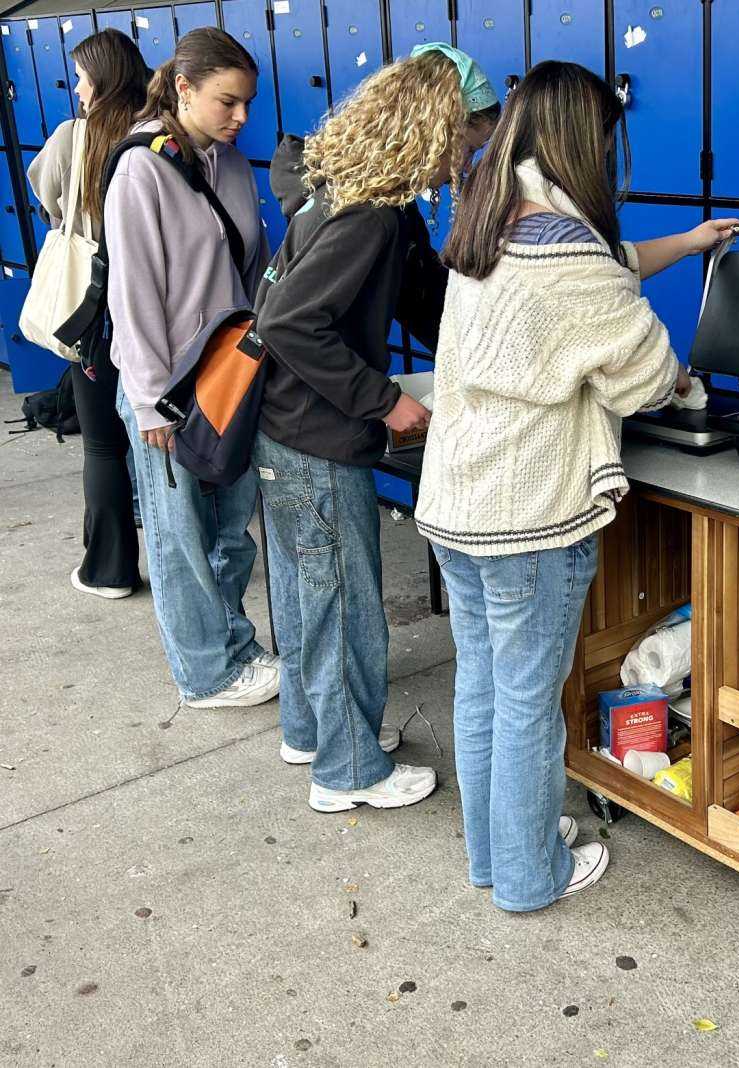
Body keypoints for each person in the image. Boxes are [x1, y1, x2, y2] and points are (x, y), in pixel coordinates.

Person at [414, 60, 738, 910]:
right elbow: (643, 374)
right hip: (527, 519)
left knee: (484, 682)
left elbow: (606, 272)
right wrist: (679, 374)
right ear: (584, 142)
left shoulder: (486, 225)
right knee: (528, 702)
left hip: (456, 504)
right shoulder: (569, 254)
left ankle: (495, 854)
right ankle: (529, 876)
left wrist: (693, 242)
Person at [252, 44, 498, 813]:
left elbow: (423, 299)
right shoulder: (368, 215)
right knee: (343, 605)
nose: (466, 161)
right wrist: (383, 401)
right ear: (432, 129)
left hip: (287, 429)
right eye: (466, 143)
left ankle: (314, 730)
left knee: (304, 595)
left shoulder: (350, 192)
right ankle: (349, 770)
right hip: (315, 437)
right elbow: (290, 321)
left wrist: (474, 353)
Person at [106, 28, 277, 709]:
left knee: (233, 528)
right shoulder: (141, 169)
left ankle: (233, 641)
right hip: (169, 388)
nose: (240, 118)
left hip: (226, 378)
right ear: (183, 87)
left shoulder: (229, 163)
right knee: (183, 540)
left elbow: (247, 267)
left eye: (247, 104)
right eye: (226, 102)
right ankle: (206, 673)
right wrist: (149, 402)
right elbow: (134, 294)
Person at [27, 29, 150, 599]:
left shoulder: (74, 139)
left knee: (103, 444)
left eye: (81, 76)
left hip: (94, 314)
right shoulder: (157, 135)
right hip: (155, 309)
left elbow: (48, 197)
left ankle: (109, 570)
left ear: (102, 78)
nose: (76, 88)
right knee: (160, 434)